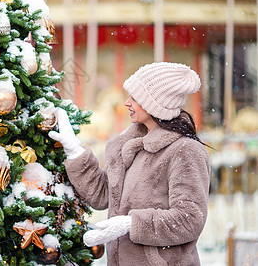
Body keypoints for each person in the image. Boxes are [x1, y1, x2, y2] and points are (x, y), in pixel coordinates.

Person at [49, 62, 211, 265]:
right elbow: (102, 195)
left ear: (154, 103)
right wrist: (74, 150)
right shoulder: (128, 145)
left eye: (134, 98)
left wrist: (132, 223)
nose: (126, 103)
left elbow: (190, 219)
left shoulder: (185, 151)